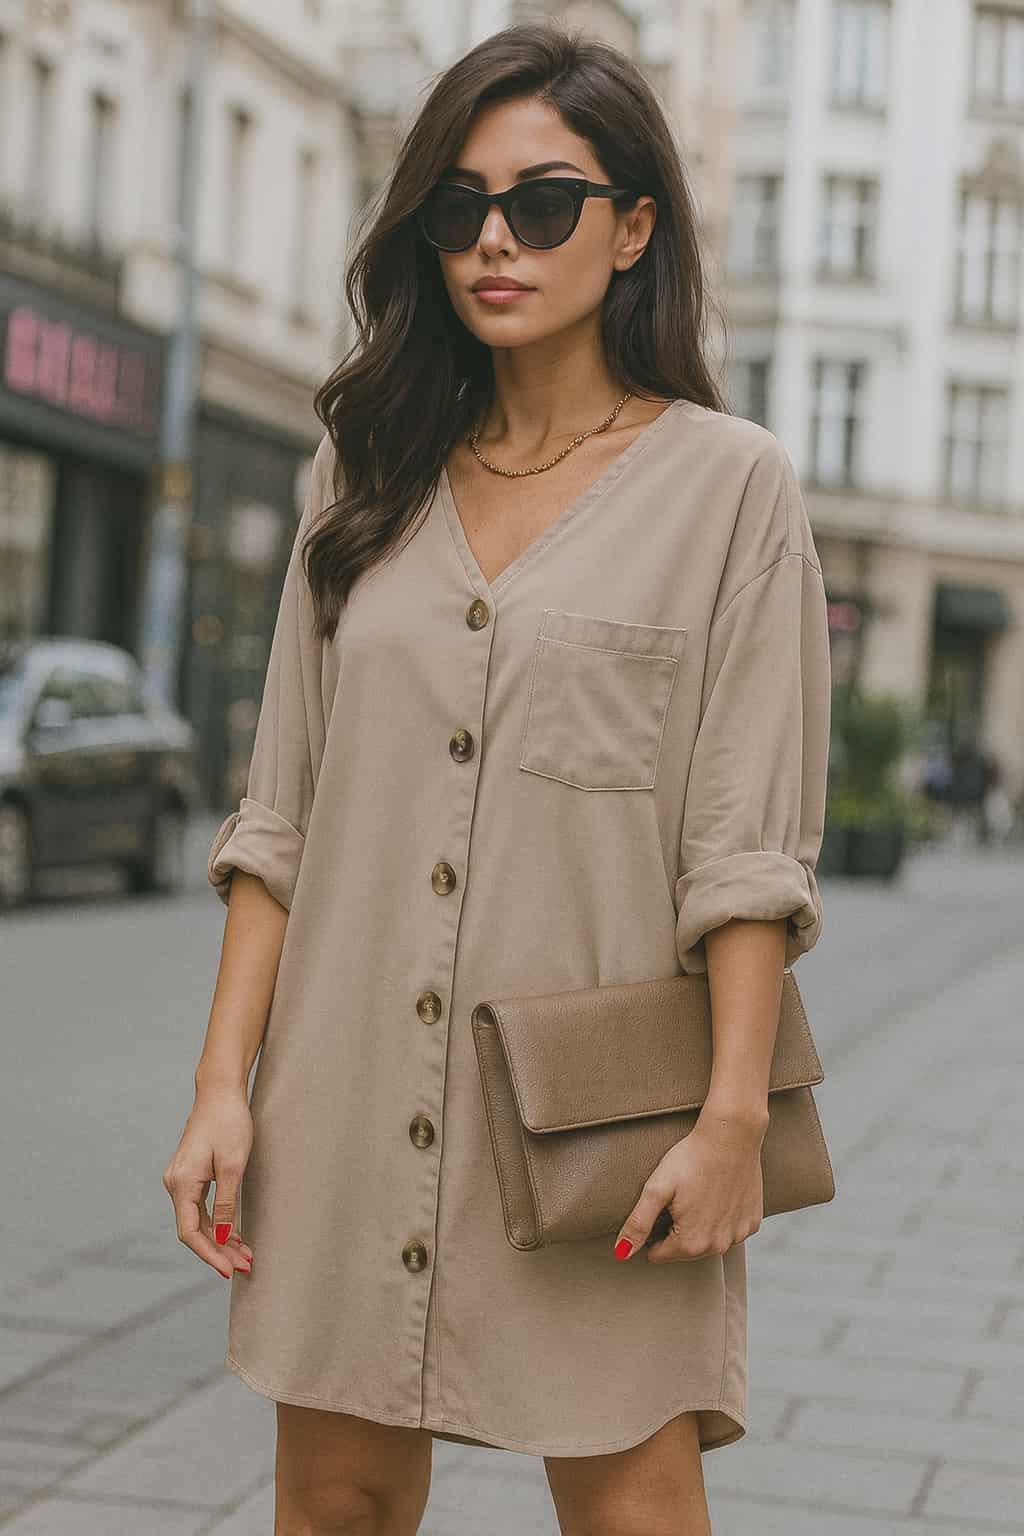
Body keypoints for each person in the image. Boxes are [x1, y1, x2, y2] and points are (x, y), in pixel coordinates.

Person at [163, 20, 832, 1536]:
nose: (493, 241)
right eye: (458, 206)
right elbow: (282, 816)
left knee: (632, 1507)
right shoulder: (365, 472)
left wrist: (732, 1118)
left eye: (543, 204)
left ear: (634, 225)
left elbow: (747, 849)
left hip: (601, 1118)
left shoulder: (730, 489)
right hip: (343, 1093)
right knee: (331, 1501)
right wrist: (223, 1087)